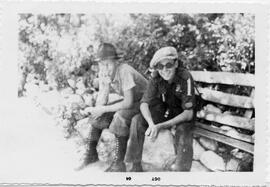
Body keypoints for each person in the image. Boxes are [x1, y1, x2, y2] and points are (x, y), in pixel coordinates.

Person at [76, 43, 148, 172]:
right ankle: (91, 154)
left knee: (120, 116)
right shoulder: (104, 73)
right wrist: (97, 110)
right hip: (134, 102)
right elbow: (103, 100)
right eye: (101, 64)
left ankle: (119, 163)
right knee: (98, 116)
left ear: (116, 62)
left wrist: (103, 109)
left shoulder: (124, 70)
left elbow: (128, 103)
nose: (105, 68)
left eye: (108, 64)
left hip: (147, 102)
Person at [126, 46, 196, 172]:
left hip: (183, 114)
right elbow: (144, 103)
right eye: (160, 66)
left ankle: (181, 173)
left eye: (168, 65)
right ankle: (135, 166)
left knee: (184, 130)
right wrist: (151, 123)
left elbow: (188, 113)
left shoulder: (185, 77)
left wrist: (161, 126)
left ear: (176, 64)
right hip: (167, 111)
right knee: (137, 120)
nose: (164, 70)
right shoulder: (156, 77)